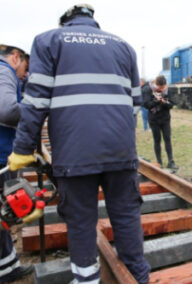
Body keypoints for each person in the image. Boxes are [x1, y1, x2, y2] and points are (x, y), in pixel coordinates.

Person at [7, 5, 150, 284]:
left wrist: (23, 149)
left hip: (75, 154)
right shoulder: (124, 46)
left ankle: (86, 279)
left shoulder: (49, 40)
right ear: (92, 21)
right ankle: (137, 276)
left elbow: (35, 103)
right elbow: (135, 103)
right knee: (126, 213)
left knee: (81, 219)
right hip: (121, 151)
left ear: (65, 22)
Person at [0, 44, 32, 282]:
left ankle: (8, 267)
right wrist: (35, 107)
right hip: (0, 155)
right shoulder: (3, 71)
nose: (24, 75)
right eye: (25, 69)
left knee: (3, 215)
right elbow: (8, 111)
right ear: (15, 57)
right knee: (4, 212)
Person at [143, 75, 178, 170]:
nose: (162, 89)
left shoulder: (168, 90)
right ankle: (159, 162)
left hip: (165, 119)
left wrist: (164, 102)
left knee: (167, 138)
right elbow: (146, 104)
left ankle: (171, 161)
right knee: (157, 140)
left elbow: (172, 104)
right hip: (154, 119)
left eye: (163, 87)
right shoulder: (147, 90)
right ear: (155, 84)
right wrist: (155, 101)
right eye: (160, 87)